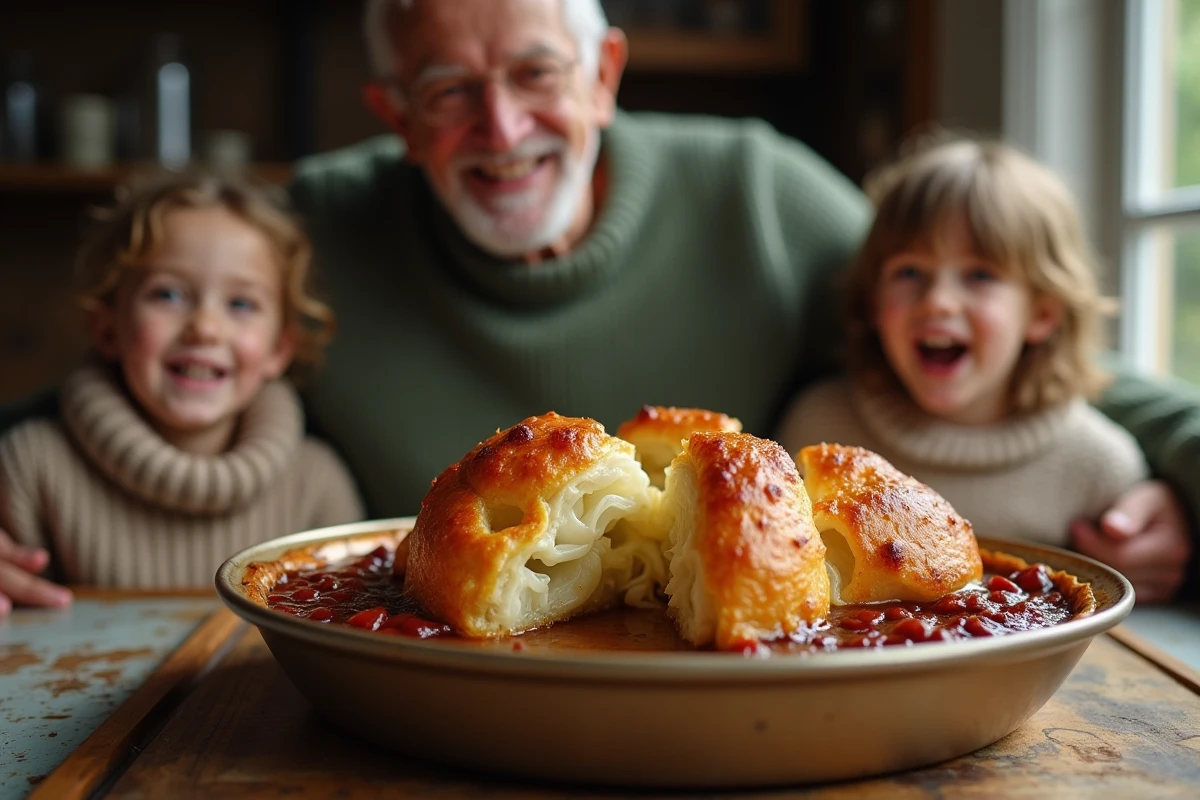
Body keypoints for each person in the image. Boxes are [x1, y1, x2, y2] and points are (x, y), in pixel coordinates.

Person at [0, 0, 1195, 610]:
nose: (504, 129)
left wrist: (1181, 479)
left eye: (536, 75)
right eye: (448, 90)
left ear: (606, 75)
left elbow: (1055, 375)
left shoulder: (761, 191)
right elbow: (131, 377)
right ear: (394, 114)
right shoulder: (316, 220)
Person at [777, 135, 1157, 560]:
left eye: (979, 275)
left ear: (1043, 314)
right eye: (909, 272)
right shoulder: (817, 432)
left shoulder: (1098, 468)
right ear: (872, 302)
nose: (937, 300)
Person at [0, 173, 364, 612]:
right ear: (107, 329)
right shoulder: (30, 468)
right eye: (167, 294)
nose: (205, 328)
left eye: (241, 304)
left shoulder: (318, 486)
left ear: (278, 349)